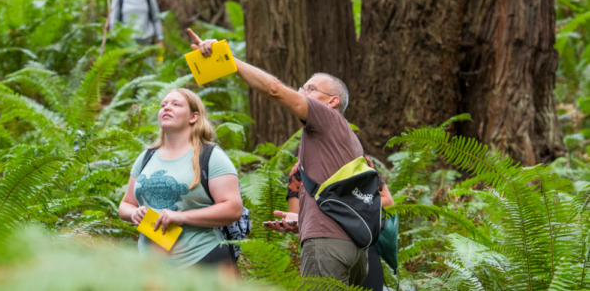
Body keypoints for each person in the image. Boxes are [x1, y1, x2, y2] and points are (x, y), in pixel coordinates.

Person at [189, 29, 367, 286]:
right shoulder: (347, 139)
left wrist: (226, 58)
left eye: (310, 88)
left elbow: (274, 89)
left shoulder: (325, 117)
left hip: (327, 245)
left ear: (332, 102)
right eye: (301, 87)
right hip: (352, 246)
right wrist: (302, 219)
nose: (301, 92)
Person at [118, 88, 243, 270]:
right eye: (163, 105)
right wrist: (133, 213)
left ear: (193, 117)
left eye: (176, 104)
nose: (167, 108)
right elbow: (126, 204)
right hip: (152, 266)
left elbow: (233, 208)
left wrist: (181, 217)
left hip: (202, 259)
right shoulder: (147, 156)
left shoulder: (211, 156)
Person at [265, 158, 395, 290]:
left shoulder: (359, 159)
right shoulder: (300, 168)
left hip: (362, 243)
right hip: (322, 245)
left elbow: (387, 200)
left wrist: (340, 206)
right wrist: (295, 222)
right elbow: (297, 216)